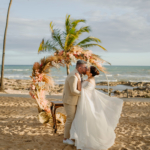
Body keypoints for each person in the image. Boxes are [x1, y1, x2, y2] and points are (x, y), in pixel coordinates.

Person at [70, 66, 123, 150]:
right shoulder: (89, 79)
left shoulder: (90, 81)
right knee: (85, 121)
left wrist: (79, 79)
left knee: (86, 120)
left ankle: (88, 140)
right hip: (86, 102)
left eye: (88, 70)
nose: (86, 70)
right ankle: (82, 137)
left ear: (90, 74)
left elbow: (80, 90)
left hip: (87, 104)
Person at [62, 60, 87, 145]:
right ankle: (65, 138)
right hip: (70, 101)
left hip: (74, 101)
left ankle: (72, 136)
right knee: (70, 119)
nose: (86, 69)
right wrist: (84, 94)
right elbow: (73, 91)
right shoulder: (73, 76)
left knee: (73, 119)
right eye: (85, 67)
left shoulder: (77, 74)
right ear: (80, 68)